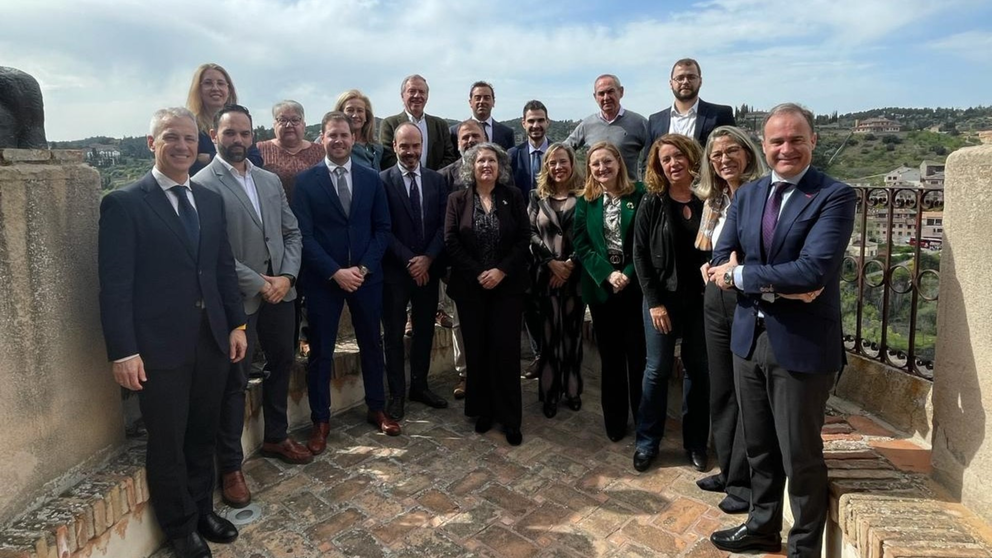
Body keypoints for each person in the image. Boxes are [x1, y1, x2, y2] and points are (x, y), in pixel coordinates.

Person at [707, 104, 857, 556]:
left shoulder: (834, 196)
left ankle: (804, 548)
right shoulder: (748, 195)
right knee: (759, 446)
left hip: (802, 346)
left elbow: (813, 271)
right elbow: (719, 258)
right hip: (748, 339)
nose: (786, 148)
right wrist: (770, 280)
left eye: (796, 139)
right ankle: (762, 525)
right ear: (764, 144)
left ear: (813, 141)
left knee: (801, 455)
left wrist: (745, 276)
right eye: (777, 141)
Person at [98, 107, 247, 558]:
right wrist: (123, 351)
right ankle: (180, 528)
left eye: (188, 138)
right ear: (151, 143)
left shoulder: (209, 200)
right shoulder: (124, 204)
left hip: (212, 341)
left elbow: (222, 269)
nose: (182, 146)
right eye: (171, 138)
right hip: (159, 349)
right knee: (168, 441)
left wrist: (236, 324)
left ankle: (201, 509)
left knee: (203, 432)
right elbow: (115, 286)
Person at [193, 104, 310, 510]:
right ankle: (230, 466)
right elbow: (214, 252)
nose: (238, 140)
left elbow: (291, 232)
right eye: (230, 134)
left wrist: (287, 278)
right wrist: (260, 283)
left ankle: (276, 435)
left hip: (282, 293)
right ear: (214, 135)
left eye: (244, 133)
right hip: (238, 299)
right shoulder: (202, 184)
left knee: (283, 362)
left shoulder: (269, 180)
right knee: (234, 381)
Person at [292, 111, 400, 454]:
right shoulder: (306, 182)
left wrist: (364, 269)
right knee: (321, 352)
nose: (339, 140)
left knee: (372, 342)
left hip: (366, 279)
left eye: (344, 135)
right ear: (321, 138)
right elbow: (303, 236)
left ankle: (377, 407)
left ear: (353, 139)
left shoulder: (371, 179)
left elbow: (383, 229)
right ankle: (321, 421)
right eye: (332, 135)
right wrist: (336, 271)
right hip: (324, 280)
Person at [694, 126, 766, 514]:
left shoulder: (763, 194)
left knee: (746, 395)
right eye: (716, 154)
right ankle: (727, 468)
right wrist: (708, 266)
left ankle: (743, 484)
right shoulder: (717, 200)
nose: (724, 159)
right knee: (720, 389)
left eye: (731, 151)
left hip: (747, 301)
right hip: (715, 299)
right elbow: (712, 249)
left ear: (749, 153)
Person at [631, 134, 710, 474]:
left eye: (678, 156)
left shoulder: (711, 200)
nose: (673, 163)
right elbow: (640, 256)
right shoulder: (653, 202)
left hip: (702, 301)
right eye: (666, 159)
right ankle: (648, 443)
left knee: (698, 370)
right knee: (657, 369)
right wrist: (654, 303)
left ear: (691, 157)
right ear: (658, 167)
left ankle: (695, 443)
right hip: (662, 300)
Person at [444, 143, 530, 446]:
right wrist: (478, 272)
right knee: (477, 351)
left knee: (505, 352)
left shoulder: (513, 197)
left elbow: (523, 238)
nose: (486, 165)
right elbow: (451, 240)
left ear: (499, 166)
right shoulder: (457, 199)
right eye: (481, 160)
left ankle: (510, 418)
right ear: (471, 166)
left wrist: (501, 271)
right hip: (471, 289)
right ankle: (482, 411)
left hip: (507, 288)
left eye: (492, 160)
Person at [572, 141, 646, 442]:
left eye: (607, 161)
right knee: (611, 359)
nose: (602, 168)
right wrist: (607, 274)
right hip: (602, 290)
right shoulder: (586, 200)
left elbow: (645, 242)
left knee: (638, 358)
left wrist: (626, 273)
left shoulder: (640, 195)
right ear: (589, 169)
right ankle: (615, 422)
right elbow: (581, 243)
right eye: (595, 164)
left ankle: (644, 422)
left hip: (634, 288)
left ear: (618, 162)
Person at [380, 122, 450, 420]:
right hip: (395, 272)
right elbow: (383, 228)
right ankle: (396, 393)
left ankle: (419, 386)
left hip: (429, 270)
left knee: (423, 331)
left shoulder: (437, 180)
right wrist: (412, 260)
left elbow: (444, 224)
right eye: (404, 146)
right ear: (394, 147)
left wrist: (428, 259)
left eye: (415, 146)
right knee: (394, 334)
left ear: (422, 147)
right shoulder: (381, 181)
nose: (410, 152)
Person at [528, 142, 586, 418]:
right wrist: (551, 263)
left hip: (575, 279)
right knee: (549, 338)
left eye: (563, 161)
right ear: (546, 168)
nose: (558, 167)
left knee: (572, 337)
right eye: (552, 163)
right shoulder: (536, 197)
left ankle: (573, 390)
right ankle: (550, 393)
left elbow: (589, 235)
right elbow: (530, 234)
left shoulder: (586, 196)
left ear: (572, 164)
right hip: (546, 277)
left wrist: (570, 264)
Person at [438, 118, 486, 399]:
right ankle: (466, 376)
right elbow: (441, 225)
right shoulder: (444, 176)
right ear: (457, 144)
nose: (470, 141)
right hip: (459, 266)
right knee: (461, 324)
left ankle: (488, 372)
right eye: (465, 137)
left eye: (475, 136)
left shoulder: (500, 170)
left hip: (494, 267)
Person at [510, 101, 552, 379]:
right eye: (530, 121)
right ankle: (541, 355)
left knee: (555, 301)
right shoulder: (513, 156)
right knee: (529, 301)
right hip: (523, 239)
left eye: (540, 120)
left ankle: (558, 357)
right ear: (523, 124)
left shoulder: (560, 153)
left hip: (555, 237)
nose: (535, 125)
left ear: (548, 122)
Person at [564, 74, 649, 180]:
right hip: (597, 194)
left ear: (621, 92)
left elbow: (655, 153)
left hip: (629, 192)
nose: (606, 97)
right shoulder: (587, 124)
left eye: (610, 91)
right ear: (595, 97)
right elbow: (563, 150)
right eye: (601, 93)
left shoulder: (639, 122)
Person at [185, 63, 262, 175]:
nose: (215, 88)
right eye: (208, 83)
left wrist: (210, 157)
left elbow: (256, 160)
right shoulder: (189, 126)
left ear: (229, 89)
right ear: (198, 89)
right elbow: (188, 163)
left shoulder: (240, 122)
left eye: (220, 83)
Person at [648, 58, 736, 148]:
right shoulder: (655, 121)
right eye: (680, 78)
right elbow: (648, 160)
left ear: (700, 81)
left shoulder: (720, 115)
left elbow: (733, 150)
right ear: (671, 83)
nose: (685, 81)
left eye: (691, 77)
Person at [380, 74, 459, 170]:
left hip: (435, 182)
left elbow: (449, 156)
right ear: (402, 95)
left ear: (427, 96)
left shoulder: (440, 125)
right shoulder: (390, 124)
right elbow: (388, 158)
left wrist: (431, 177)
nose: (417, 96)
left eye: (421, 92)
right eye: (412, 91)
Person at [257, 100, 326, 201]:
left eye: (295, 120)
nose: (289, 125)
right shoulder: (260, 150)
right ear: (274, 124)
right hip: (274, 212)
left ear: (304, 125)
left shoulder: (320, 151)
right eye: (282, 120)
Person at [448, 81, 515, 150]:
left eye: (487, 98)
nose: (482, 101)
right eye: (478, 98)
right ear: (470, 102)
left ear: (493, 102)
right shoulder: (454, 132)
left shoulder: (507, 133)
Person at [334, 89, 383, 171]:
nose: (355, 115)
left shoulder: (376, 148)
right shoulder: (328, 144)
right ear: (340, 113)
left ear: (366, 116)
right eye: (350, 110)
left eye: (360, 111)